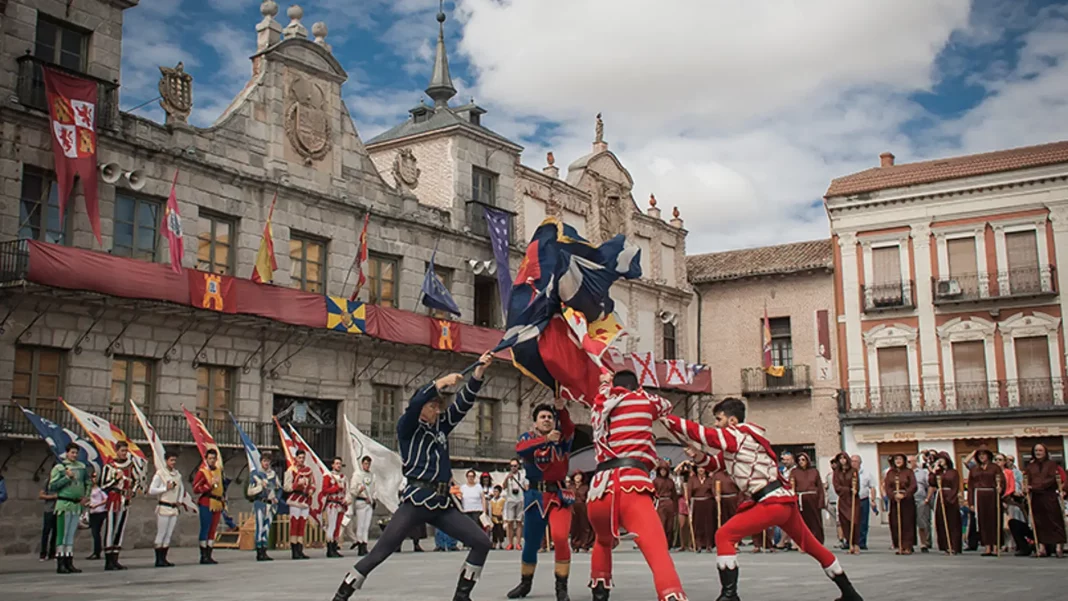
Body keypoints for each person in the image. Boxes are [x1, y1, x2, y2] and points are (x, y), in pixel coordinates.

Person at [663, 399, 862, 601]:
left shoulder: (737, 435)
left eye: (718, 419)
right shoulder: (742, 441)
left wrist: (668, 418)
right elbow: (714, 464)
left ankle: (729, 595)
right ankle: (850, 594)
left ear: (732, 421)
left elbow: (704, 435)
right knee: (812, 546)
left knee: (724, 535)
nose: (715, 423)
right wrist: (696, 454)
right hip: (781, 501)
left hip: (770, 502)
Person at [332, 352, 493, 601]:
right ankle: (342, 594)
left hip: (442, 504)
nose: (437, 411)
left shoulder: (440, 427)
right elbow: (416, 402)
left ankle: (462, 597)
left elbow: (463, 404)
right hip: (417, 500)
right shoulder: (407, 427)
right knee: (380, 552)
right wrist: (441, 382)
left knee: (482, 542)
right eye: (432, 406)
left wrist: (478, 373)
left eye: (438, 407)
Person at [578, 369, 687, 601]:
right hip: (632, 485)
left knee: (603, 541)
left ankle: (600, 591)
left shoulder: (599, 404)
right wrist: (637, 391)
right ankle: (671, 593)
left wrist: (605, 384)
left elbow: (604, 395)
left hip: (599, 491)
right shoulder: (643, 400)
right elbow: (666, 406)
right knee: (657, 551)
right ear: (636, 387)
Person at [508, 399, 575, 601]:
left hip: (558, 495)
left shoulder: (563, 438)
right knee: (531, 542)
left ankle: (561, 587)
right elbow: (521, 449)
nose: (547, 420)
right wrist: (545, 440)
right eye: (542, 417)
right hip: (535, 497)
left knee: (560, 537)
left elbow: (569, 427)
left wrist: (562, 409)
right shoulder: (527, 438)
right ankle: (525, 583)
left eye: (550, 417)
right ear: (535, 422)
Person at [49, 443, 91, 574]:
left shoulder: (82, 467)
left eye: (76, 453)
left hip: (76, 505)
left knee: (71, 534)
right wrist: (67, 478)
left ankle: (69, 560)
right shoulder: (59, 467)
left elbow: (88, 482)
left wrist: (86, 496)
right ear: (67, 453)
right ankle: (60, 562)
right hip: (64, 504)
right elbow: (52, 486)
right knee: (62, 534)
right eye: (72, 452)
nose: (74, 455)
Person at [1023, 443, 1066, 558]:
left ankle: (1058, 547)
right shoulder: (1030, 466)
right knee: (1039, 522)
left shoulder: (1051, 465)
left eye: (1040, 450)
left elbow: (1051, 480)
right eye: (1036, 450)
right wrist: (1026, 487)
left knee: (1054, 520)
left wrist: (1035, 486)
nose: (1038, 452)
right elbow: (1027, 478)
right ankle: (1041, 548)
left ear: (1045, 452)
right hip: (1036, 497)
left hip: (1049, 496)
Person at [100, 440, 137, 570]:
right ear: (116, 451)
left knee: (120, 528)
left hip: (124, 499)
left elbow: (136, 480)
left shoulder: (130, 465)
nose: (124, 453)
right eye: (122, 451)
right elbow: (103, 485)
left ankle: (115, 558)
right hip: (114, 499)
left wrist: (132, 490)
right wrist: (116, 479)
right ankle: (108, 560)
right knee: (110, 528)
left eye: (126, 451)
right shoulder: (110, 466)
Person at [148, 449, 185, 567]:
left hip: (173, 507)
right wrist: (165, 488)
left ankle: (164, 558)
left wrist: (179, 500)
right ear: (166, 461)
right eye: (171, 460)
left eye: (174, 460)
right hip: (164, 506)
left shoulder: (177, 474)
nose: (173, 462)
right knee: (161, 532)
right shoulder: (160, 474)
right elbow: (151, 490)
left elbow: (181, 488)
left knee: (169, 534)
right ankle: (158, 559)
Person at [966, 447, 1005, 556]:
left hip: (992, 495)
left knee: (994, 520)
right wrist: (971, 502)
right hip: (979, 496)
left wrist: (1000, 488)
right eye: (979, 455)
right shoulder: (974, 469)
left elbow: (1001, 481)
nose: (982, 456)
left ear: (988, 455)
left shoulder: (995, 467)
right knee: (983, 522)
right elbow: (970, 487)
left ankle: (996, 546)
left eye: (984, 454)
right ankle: (987, 546)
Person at [192, 448, 225, 564]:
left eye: (214, 458)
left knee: (213, 529)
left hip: (217, 502)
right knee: (205, 528)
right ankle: (203, 555)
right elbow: (196, 488)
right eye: (210, 458)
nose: (212, 460)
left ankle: (209, 553)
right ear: (206, 459)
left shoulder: (219, 471)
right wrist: (208, 486)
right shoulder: (203, 472)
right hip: (207, 502)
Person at [926, 452, 962, 555]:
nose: (940, 461)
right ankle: (945, 545)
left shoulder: (953, 472)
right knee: (941, 521)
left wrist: (950, 499)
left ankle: (954, 545)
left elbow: (955, 486)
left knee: (952, 522)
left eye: (941, 459)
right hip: (940, 496)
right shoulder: (938, 472)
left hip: (950, 498)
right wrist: (933, 470)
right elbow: (932, 482)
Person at [247, 451, 281, 561]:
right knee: (260, 526)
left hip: (270, 504)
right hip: (260, 503)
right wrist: (260, 487)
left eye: (268, 461)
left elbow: (279, 488)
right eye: (264, 461)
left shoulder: (273, 474)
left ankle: (264, 549)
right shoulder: (256, 474)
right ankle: (259, 550)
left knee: (267, 527)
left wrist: (277, 498)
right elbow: (249, 491)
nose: (266, 463)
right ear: (261, 462)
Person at [284, 448, 315, 560]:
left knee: (302, 525)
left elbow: (313, 483)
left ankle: (300, 549)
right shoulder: (291, 470)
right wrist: (297, 484)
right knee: (295, 524)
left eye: (303, 458)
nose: (301, 460)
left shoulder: (308, 470)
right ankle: (294, 551)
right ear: (296, 458)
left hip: (305, 500)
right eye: (300, 457)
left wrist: (311, 490)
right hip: (295, 500)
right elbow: (286, 487)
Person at [883, 453, 916, 554]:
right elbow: (887, 486)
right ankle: (900, 545)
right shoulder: (890, 473)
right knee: (895, 523)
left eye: (900, 459)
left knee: (907, 523)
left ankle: (908, 546)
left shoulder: (909, 472)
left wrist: (904, 494)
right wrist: (893, 496)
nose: (898, 461)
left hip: (906, 501)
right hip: (895, 500)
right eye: (896, 459)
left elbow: (913, 485)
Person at [791, 452, 826, 545]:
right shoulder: (794, 472)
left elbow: (820, 487)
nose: (801, 462)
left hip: (813, 499)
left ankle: (817, 541)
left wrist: (821, 501)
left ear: (807, 461)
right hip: (801, 500)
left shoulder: (814, 472)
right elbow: (792, 486)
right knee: (803, 522)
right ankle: (805, 542)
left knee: (815, 521)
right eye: (799, 460)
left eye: (803, 460)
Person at [832, 453, 860, 554]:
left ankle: (856, 544)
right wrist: (847, 489)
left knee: (854, 521)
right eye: (840, 458)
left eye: (844, 458)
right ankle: (849, 543)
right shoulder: (837, 472)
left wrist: (855, 490)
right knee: (844, 522)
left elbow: (856, 484)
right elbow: (837, 486)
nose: (842, 460)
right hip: (843, 500)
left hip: (853, 500)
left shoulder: (853, 471)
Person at [321, 456, 350, 558]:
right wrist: (336, 488)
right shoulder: (328, 476)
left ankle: (334, 547)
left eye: (340, 464)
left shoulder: (344, 477)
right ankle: (329, 549)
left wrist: (346, 499)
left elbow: (347, 491)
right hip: (332, 504)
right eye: (337, 463)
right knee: (331, 526)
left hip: (340, 504)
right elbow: (324, 490)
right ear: (332, 465)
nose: (338, 465)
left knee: (338, 527)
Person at [348, 455, 376, 556]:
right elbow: (352, 490)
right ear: (362, 464)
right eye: (365, 463)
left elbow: (374, 489)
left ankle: (365, 544)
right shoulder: (357, 475)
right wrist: (359, 491)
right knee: (360, 525)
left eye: (368, 464)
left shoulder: (372, 475)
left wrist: (373, 498)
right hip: (361, 501)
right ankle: (360, 544)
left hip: (369, 502)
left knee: (366, 526)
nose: (367, 466)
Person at [850, 455, 877, 550]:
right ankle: (850, 541)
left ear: (860, 463)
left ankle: (861, 542)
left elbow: (872, 487)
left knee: (863, 522)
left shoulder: (866, 474)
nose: (853, 463)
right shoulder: (848, 473)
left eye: (856, 461)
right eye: (852, 461)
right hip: (851, 500)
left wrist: (873, 500)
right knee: (851, 521)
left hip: (863, 500)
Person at [688, 465, 715, 552]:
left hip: (708, 503)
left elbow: (714, 490)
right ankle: (698, 544)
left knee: (709, 524)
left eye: (702, 468)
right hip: (697, 503)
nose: (701, 469)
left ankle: (709, 545)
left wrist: (717, 496)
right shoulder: (692, 479)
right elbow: (689, 491)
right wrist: (687, 499)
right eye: (699, 468)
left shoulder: (710, 479)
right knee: (697, 524)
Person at [503, 459, 528, 551]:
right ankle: (510, 543)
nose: (513, 467)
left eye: (515, 466)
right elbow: (503, 487)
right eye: (511, 466)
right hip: (510, 500)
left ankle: (518, 543)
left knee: (519, 522)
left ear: (518, 466)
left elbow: (526, 487)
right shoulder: (507, 475)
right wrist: (507, 478)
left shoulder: (522, 475)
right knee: (509, 522)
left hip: (520, 500)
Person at [653, 462, 678, 550]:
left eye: (664, 470)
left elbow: (674, 495)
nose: (663, 472)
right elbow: (652, 494)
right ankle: (660, 543)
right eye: (661, 470)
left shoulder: (670, 481)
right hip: (660, 503)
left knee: (670, 525)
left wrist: (675, 508)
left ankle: (668, 544)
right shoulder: (655, 481)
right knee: (662, 524)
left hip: (669, 503)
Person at [909, 454, 931, 553]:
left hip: (920, 499)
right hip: (908, 499)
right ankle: (910, 543)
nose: (909, 463)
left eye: (910, 461)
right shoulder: (905, 473)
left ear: (915, 462)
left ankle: (924, 543)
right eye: (907, 462)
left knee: (922, 521)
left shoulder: (922, 473)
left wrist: (927, 498)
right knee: (909, 523)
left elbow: (930, 485)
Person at [570, 472, 593, 552]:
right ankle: (575, 545)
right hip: (572, 507)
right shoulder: (570, 487)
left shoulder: (586, 487)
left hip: (583, 507)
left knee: (585, 526)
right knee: (574, 527)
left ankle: (585, 544)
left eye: (579, 475)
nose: (578, 477)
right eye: (576, 475)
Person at [87, 473, 107, 560]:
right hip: (92, 512)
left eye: (95, 477)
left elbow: (106, 499)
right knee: (94, 532)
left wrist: (97, 505)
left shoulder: (100, 489)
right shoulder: (89, 489)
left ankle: (97, 551)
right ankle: (96, 551)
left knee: (96, 532)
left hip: (99, 512)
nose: (93, 479)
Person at [38, 481, 57, 562]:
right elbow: (41, 495)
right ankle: (43, 553)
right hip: (49, 510)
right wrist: (53, 496)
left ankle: (52, 552)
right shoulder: (48, 481)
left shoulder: (62, 481)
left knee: (56, 532)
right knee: (46, 531)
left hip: (58, 509)